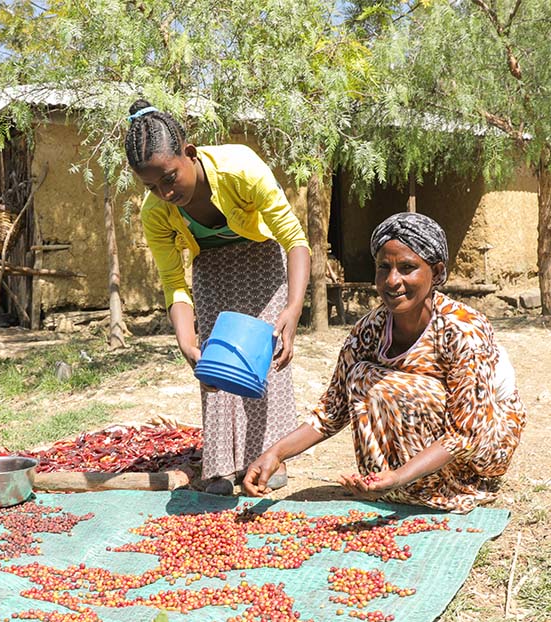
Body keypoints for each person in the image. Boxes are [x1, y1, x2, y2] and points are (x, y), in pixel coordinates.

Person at [243, 213, 526, 512]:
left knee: (399, 389)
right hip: (430, 445)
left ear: (437, 272)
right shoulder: (370, 329)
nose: (393, 281)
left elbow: (465, 433)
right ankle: (389, 484)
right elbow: (332, 410)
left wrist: (400, 476)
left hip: (485, 441)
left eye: (407, 268)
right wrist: (276, 453)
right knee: (362, 377)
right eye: (383, 268)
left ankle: (434, 486)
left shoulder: (462, 330)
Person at [125, 99, 312, 495]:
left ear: (189, 154)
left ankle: (268, 458)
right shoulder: (155, 212)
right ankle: (223, 466)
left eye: (170, 178)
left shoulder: (240, 167)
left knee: (264, 359)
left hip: (262, 257)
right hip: (211, 267)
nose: (164, 192)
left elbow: (294, 240)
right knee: (216, 362)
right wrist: (185, 341)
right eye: (151, 187)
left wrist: (293, 309)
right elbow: (174, 281)